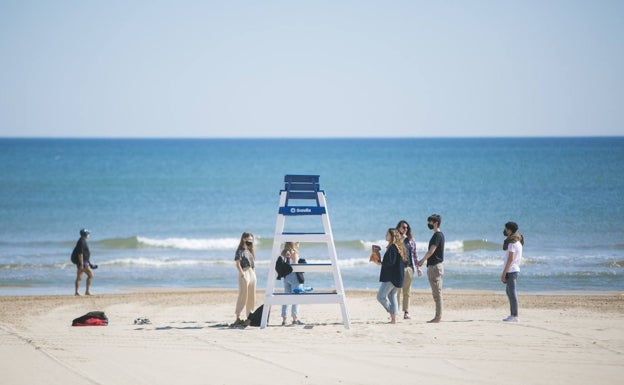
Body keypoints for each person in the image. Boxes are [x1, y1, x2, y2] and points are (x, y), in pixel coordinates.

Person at [417, 214, 445, 323]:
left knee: (437, 293)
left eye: (430, 222)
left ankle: (438, 317)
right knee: (437, 293)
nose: (428, 224)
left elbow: (431, 251)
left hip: (435, 267)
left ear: (435, 223)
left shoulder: (437, 236)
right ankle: (438, 316)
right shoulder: (439, 235)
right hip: (436, 266)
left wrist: (422, 260)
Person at [376, 228, 407, 324]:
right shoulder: (398, 247)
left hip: (391, 277)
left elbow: (390, 262)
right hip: (397, 276)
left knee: (380, 296)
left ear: (392, 236)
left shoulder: (393, 247)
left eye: (387, 234)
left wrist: (380, 262)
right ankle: (394, 319)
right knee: (391, 295)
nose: (386, 235)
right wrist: (381, 262)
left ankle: (393, 314)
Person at [396, 220, 422, 320]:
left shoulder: (411, 240)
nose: (405, 229)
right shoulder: (396, 240)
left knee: (407, 291)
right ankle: (395, 312)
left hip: (409, 268)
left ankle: (406, 312)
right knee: (397, 291)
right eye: (403, 227)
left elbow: (414, 255)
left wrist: (418, 268)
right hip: (398, 269)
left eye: (407, 227)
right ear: (398, 228)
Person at [501, 221, 524, 322]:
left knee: (512, 292)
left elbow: (510, 259)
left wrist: (504, 273)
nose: (505, 230)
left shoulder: (512, 243)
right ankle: (513, 314)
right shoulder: (518, 241)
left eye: (506, 228)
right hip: (514, 269)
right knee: (509, 291)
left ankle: (514, 315)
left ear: (509, 230)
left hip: (511, 270)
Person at [234, 232, 257, 325]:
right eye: (249, 239)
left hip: (252, 273)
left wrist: (254, 273)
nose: (250, 241)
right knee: (243, 295)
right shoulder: (239, 250)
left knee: (252, 296)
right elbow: (237, 263)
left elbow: (253, 264)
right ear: (244, 239)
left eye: (251, 239)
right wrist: (242, 273)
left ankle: (249, 317)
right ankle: (238, 317)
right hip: (244, 272)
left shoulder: (249, 250)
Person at [280, 242, 304, 326]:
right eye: (297, 241)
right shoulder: (294, 253)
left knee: (286, 298)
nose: (299, 243)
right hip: (294, 277)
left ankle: (284, 319)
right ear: (293, 244)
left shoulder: (283, 253)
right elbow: (296, 265)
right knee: (296, 298)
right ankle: (294, 319)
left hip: (286, 277)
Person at [72, 228, 94, 296]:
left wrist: (89, 262)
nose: (88, 235)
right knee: (91, 276)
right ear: (85, 234)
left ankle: (77, 292)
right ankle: (87, 291)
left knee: (79, 277)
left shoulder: (82, 241)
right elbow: (80, 254)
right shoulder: (81, 242)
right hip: (83, 263)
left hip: (83, 262)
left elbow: (85, 254)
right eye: (88, 233)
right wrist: (82, 264)